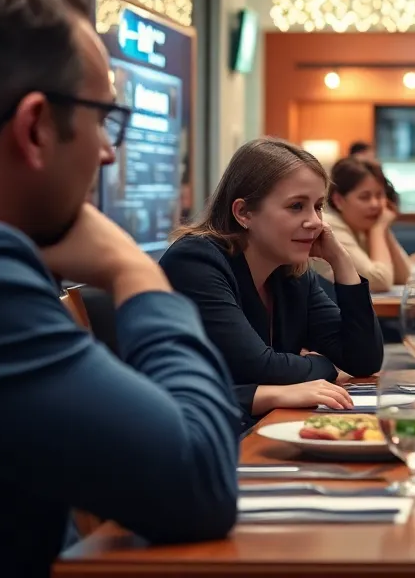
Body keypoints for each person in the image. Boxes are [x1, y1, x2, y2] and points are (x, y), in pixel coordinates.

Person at [0, 0, 238, 576]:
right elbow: (199, 480)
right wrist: (134, 271)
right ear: (36, 127)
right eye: (104, 119)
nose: (107, 151)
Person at [160, 139, 383, 421]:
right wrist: (324, 365)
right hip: (196, 435)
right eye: (296, 206)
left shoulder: (291, 272)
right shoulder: (195, 261)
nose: (315, 222)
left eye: (318, 206)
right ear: (243, 213)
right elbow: (258, 368)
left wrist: (342, 261)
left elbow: (364, 360)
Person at [314, 156, 412, 293]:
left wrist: (383, 230)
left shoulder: (361, 226)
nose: (375, 204)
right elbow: (379, 281)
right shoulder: (330, 226)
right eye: (364, 197)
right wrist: (379, 228)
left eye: (379, 195)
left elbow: (404, 277)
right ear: (338, 200)